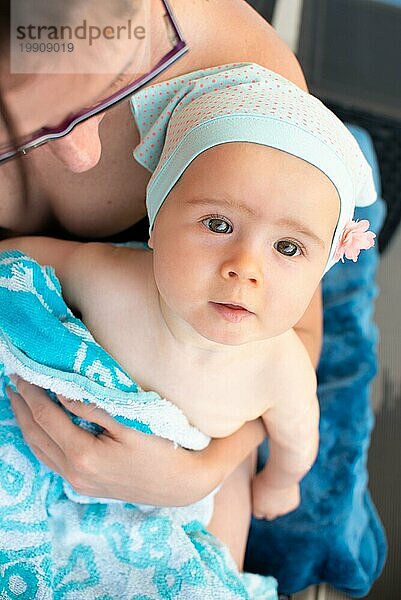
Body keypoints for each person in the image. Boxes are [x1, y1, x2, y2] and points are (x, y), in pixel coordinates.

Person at [1, 63, 377, 573]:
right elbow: (22, 264)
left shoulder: (280, 367)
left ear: (319, 275)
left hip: (186, 487)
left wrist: (280, 481)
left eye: (287, 247)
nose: (244, 269)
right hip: (50, 454)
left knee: (213, 557)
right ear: (156, 223)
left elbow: (296, 440)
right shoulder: (111, 278)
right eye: (218, 224)